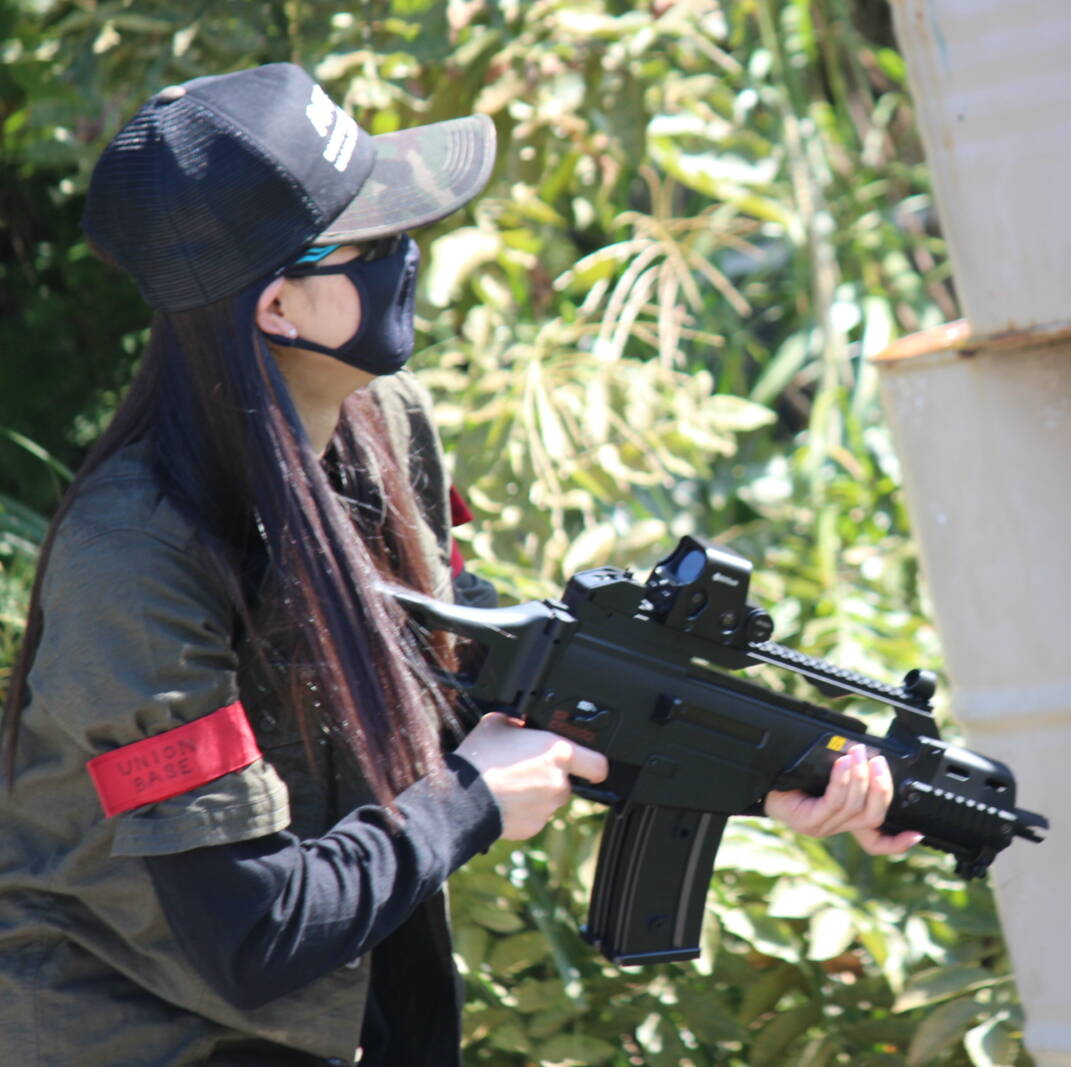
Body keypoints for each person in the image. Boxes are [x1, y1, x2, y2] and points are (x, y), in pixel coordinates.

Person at [0, 63, 918, 1066]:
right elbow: (253, 930)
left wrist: (766, 770)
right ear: (279, 308)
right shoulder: (135, 564)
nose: (411, 252)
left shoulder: (380, 422)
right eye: (375, 239)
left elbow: (451, 661)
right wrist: (472, 800)